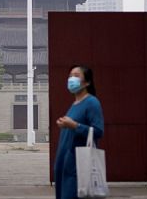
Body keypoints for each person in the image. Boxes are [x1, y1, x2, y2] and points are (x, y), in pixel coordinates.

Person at [53, 65, 105, 199]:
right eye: (70, 75)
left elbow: (98, 131)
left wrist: (75, 125)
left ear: (87, 82)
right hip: (64, 162)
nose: (71, 79)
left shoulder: (92, 102)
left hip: (78, 165)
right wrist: (65, 124)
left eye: (76, 76)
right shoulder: (75, 104)